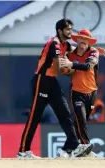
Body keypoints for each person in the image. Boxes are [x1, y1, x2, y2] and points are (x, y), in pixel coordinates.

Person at [17, 19, 93, 158]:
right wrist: (71, 67)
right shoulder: (55, 43)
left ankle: (74, 146)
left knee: (65, 112)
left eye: (71, 29)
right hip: (42, 79)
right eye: (68, 29)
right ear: (60, 30)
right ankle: (23, 151)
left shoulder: (67, 45)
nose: (71, 32)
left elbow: (77, 56)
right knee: (35, 116)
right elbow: (60, 67)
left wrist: (91, 52)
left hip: (52, 81)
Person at [58, 29, 105, 157]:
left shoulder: (93, 52)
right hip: (77, 92)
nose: (84, 42)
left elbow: (88, 66)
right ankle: (86, 146)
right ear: (77, 40)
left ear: (89, 41)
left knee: (79, 122)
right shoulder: (70, 54)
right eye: (81, 39)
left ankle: (65, 150)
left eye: (86, 40)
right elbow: (64, 69)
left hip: (91, 93)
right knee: (81, 120)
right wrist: (66, 67)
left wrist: (71, 64)